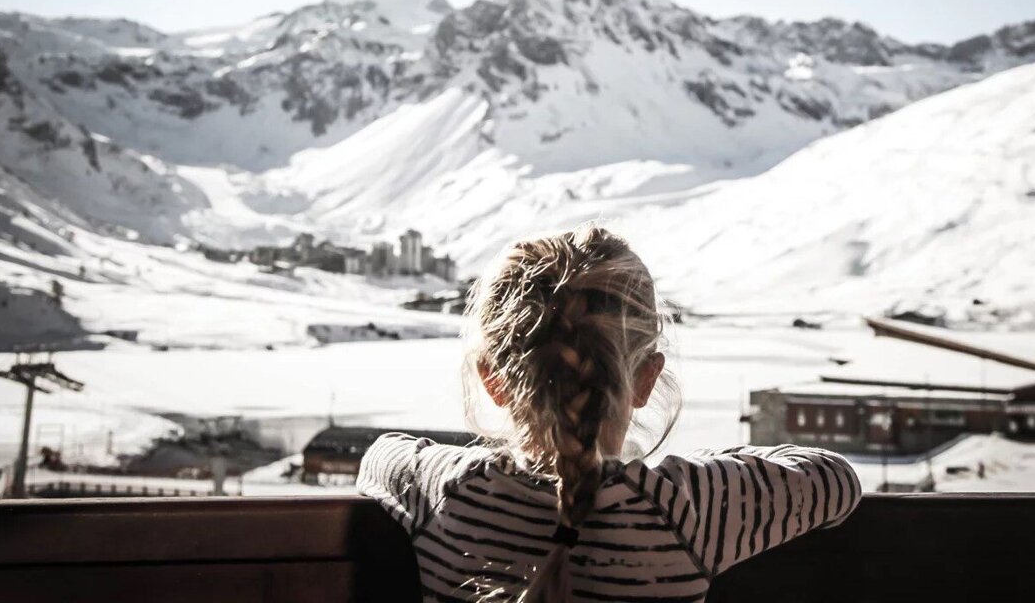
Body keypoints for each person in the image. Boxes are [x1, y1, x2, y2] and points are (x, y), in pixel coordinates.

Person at [357, 224, 861, 602]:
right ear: (646, 379)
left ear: (492, 381)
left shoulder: (447, 490)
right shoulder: (686, 505)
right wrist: (703, 468)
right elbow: (835, 480)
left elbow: (380, 457)